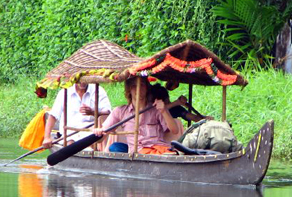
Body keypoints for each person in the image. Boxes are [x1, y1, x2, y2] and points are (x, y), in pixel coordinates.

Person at [92, 77, 179, 154]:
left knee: (173, 154)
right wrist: (99, 132)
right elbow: (101, 139)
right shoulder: (120, 111)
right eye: (134, 85)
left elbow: (175, 130)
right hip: (138, 155)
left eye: (142, 84)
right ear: (129, 89)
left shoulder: (155, 109)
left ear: (146, 88)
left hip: (159, 151)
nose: (138, 89)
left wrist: (164, 111)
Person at [42, 83, 111, 149]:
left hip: (91, 131)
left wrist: (93, 112)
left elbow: (108, 112)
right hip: (70, 132)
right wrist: (47, 137)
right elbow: (53, 116)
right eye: (79, 80)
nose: (83, 82)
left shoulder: (98, 90)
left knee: (95, 142)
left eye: (85, 80)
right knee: (70, 145)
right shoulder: (64, 92)